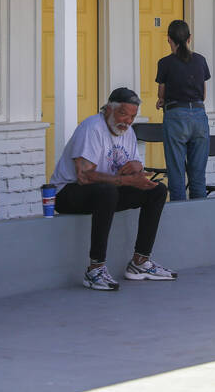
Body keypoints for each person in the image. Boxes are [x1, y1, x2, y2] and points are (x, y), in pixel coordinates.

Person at [51, 87, 176, 291]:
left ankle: (140, 262)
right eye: (123, 114)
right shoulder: (92, 127)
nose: (127, 121)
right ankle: (95, 269)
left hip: (104, 193)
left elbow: (129, 170)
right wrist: (127, 181)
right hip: (67, 193)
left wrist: (137, 168)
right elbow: (84, 176)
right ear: (108, 109)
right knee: (107, 191)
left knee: (157, 191)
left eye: (132, 117)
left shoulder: (127, 132)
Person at [154, 20, 211, 202]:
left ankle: (179, 215)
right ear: (189, 39)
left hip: (175, 116)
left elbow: (161, 93)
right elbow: (203, 95)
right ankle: (199, 216)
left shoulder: (165, 63)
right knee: (198, 173)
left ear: (169, 40)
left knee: (176, 172)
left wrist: (161, 100)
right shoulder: (200, 60)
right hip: (199, 116)